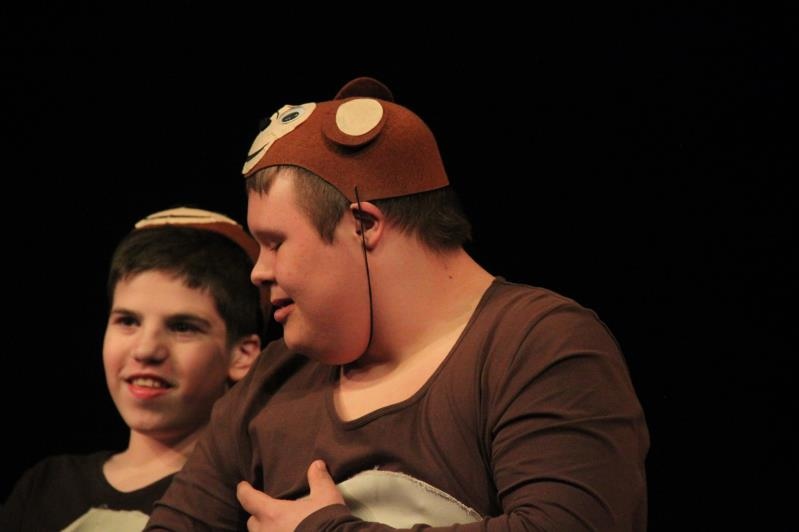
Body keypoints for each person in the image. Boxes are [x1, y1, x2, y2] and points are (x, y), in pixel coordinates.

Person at [146, 78, 649, 531]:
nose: (259, 271)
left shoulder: (537, 347)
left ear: (363, 225)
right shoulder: (273, 380)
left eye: (276, 242)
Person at [1, 207, 266, 531]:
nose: (146, 350)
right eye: (128, 321)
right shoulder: (45, 487)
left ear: (242, 355)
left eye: (182, 327)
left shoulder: (245, 501)